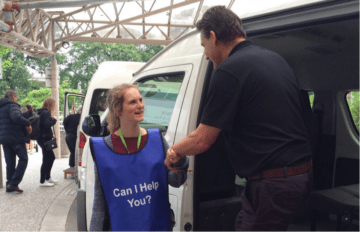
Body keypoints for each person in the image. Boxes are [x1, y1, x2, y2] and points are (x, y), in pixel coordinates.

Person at [164, 6, 312, 231]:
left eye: (204, 46)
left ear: (213, 36)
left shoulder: (229, 70)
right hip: (300, 176)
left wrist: (175, 151)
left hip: (272, 184)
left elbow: (202, 140)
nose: (205, 54)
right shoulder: (276, 60)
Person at [89, 83, 189, 231]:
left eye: (141, 100)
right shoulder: (104, 149)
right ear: (118, 109)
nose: (140, 105)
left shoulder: (157, 139)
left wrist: (180, 162)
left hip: (156, 226)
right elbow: (100, 203)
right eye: (132, 102)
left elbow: (175, 181)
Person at [0, 90, 32, 193]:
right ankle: (13, 183)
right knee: (24, 159)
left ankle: (9, 184)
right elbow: (16, 117)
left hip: (4, 138)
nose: (16, 99)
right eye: (16, 97)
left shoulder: (1, 107)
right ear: (13, 97)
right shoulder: (12, 105)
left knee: (10, 163)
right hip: (15, 137)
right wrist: (27, 123)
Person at [36, 97, 58, 187]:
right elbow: (47, 124)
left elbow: (43, 126)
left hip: (43, 138)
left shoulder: (41, 112)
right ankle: (42, 181)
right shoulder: (46, 113)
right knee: (47, 158)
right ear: (50, 105)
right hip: (44, 139)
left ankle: (47, 177)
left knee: (51, 157)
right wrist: (54, 120)